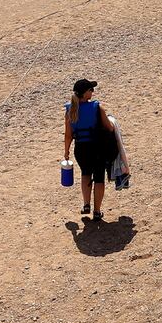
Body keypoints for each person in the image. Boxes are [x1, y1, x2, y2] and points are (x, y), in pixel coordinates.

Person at [63, 79, 117, 222]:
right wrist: (112, 121)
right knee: (99, 178)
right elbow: (110, 128)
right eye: (90, 90)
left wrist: (66, 152)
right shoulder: (96, 107)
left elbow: (68, 135)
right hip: (97, 147)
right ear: (85, 93)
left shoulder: (70, 110)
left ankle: (86, 204)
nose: (92, 92)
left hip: (80, 149)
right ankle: (97, 211)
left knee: (85, 173)